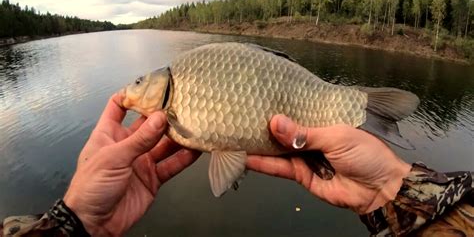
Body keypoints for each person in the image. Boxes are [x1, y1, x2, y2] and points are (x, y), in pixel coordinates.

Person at [1, 94, 472, 236]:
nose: (133, 91)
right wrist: (392, 187)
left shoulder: (169, 105)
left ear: (162, 89)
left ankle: (363, 110)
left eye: (142, 84)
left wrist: (74, 223)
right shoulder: (171, 99)